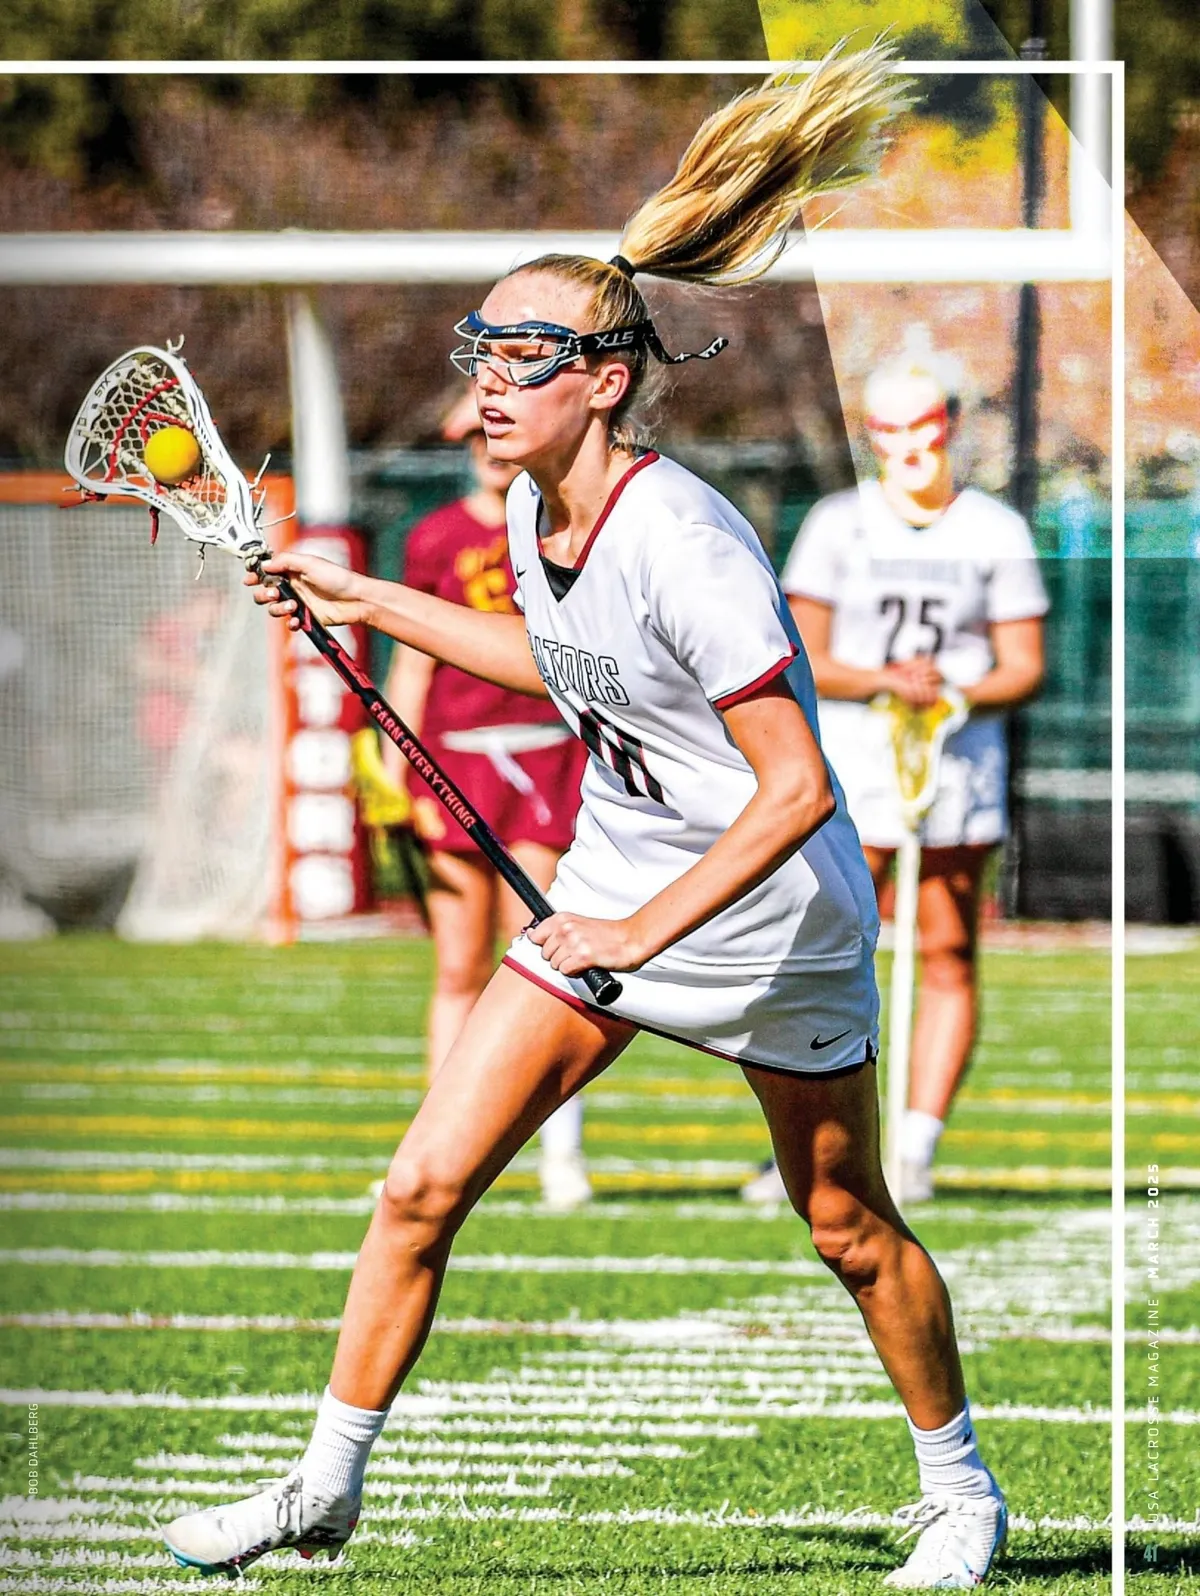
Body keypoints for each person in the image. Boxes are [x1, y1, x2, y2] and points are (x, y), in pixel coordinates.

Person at [163, 47, 1009, 1590]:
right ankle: (321, 1491)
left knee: (844, 1224)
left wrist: (632, 924)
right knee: (420, 1186)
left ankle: (963, 1493)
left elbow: (795, 789)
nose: (488, 375)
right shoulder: (524, 510)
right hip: (622, 890)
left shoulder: (688, 544)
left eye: (524, 352)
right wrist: (370, 599)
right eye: (480, 345)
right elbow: (572, 665)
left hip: (768, 916)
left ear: (606, 379)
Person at [746, 351, 1046, 1209]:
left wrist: (950, 691)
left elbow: (1022, 664)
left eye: (925, 424)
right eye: (890, 427)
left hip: (956, 761)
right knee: (825, 943)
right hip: (852, 760)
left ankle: (916, 1143)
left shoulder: (994, 530)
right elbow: (803, 653)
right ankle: (809, 1142)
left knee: (947, 946)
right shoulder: (839, 523)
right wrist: (885, 681)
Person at [382, 391, 592, 1210]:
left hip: (544, 756)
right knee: (457, 965)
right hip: (455, 761)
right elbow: (414, 662)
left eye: (493, 431)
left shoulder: (559, 527)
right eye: (474, 436)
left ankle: (561, 1155)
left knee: (543, 957)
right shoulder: (436, 536)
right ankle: (438, 1147)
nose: (487, 448)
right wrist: (395, 769)